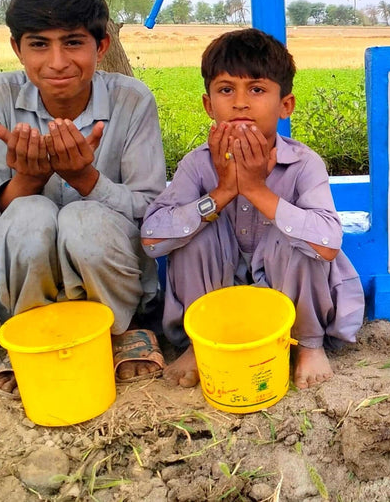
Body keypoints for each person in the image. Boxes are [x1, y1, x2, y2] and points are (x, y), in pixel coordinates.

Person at [142, 28, 364, 389]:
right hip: (221, 293)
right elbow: (153, 240)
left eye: (257, 90)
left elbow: (327, 244)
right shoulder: (197, 164)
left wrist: (256, 190)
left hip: (285, 295)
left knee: (299, 238)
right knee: (194, 232)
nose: (240, 103)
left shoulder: (303, 163)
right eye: (226, 90)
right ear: (208, 105)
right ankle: (202, 342)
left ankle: (308, 344)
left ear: (285, 105)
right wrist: (223, 192)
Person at [0, 0, 166, 396]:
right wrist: (29, 180)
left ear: (100, 47)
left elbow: (153, 211)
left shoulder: (132, 99)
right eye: (39, 44)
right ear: (16, 48)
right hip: (23, 286)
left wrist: (87, 180)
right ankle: (32, 332)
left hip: (115, 278)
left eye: (72, 42)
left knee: (84, 217)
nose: (57, 62)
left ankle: (121, 330)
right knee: (28, 213)